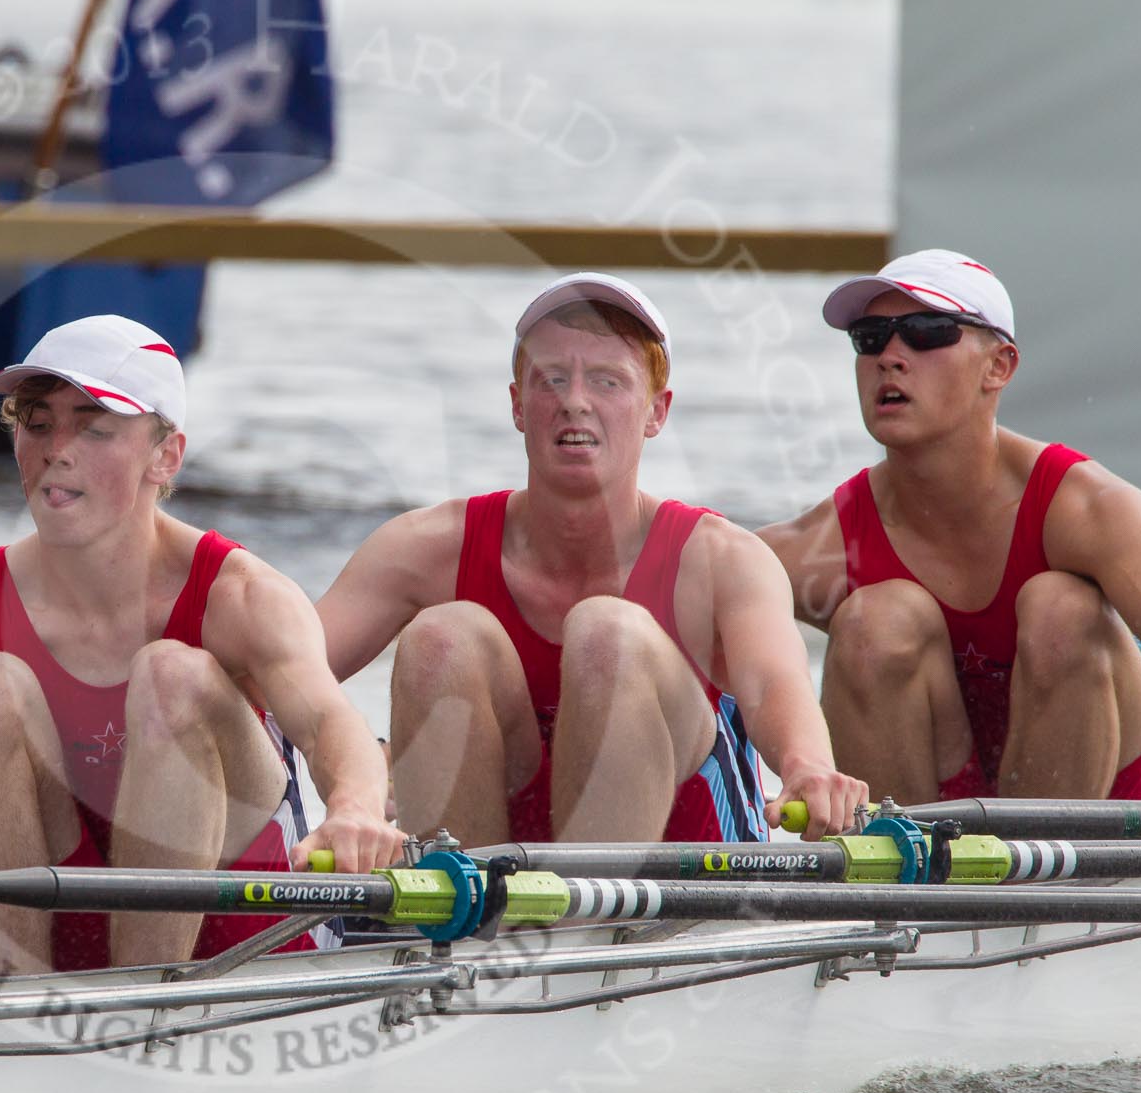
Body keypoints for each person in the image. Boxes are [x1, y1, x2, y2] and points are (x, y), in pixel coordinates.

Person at [0, 314, 406, 976]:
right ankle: (13, 996)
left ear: (165, 456)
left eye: (95, 429)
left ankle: (145, 993)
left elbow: (330, 721)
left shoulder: (240, 595)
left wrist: (357, 811)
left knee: (173, 675)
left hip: (250, 937)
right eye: (38, 423)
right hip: (62, 937)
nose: (56, 450)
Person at [315, 273, 868, 846]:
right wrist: (359, 779)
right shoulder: (421, 548)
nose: (574, 401)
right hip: (498, 869)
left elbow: (775, 684)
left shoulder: (723, 559)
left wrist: (807, 766)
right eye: (552, 379)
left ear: (656, 412)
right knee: (440, 637)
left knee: (608, 633)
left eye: (607, 381)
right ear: (518, 405)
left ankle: (593, 897)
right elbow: (287, 675)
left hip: (688, 859)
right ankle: (465, 893)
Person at [758, 249, 1141, 802]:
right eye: (870, 338)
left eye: (927, 332)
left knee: (1061, 606)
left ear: (999, 366)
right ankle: (900, 853)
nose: (890, 357)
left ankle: (1046, 856)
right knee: (874, 620)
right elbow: (695, 577)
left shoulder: (1084, 505)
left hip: (1097, 803)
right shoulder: (822, 541)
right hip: (928, 806)